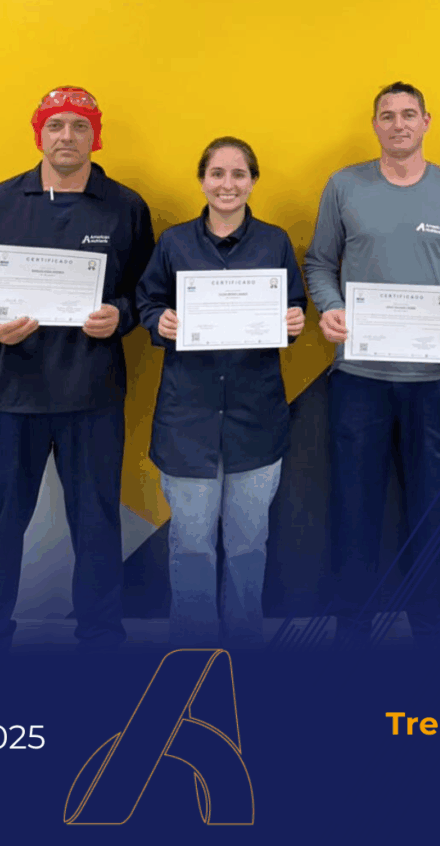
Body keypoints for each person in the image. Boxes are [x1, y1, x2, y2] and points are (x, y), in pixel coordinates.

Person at [0, 86, 155, 652]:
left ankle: (101, 637)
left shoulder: (125, 207)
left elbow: (146, 291)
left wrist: (122, 315)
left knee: (97, 524)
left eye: (80, 126)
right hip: (12, 395)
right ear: (39, 133)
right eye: (56, 125)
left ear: (95, 136)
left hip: (92, 396)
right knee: (0, 524)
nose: (67, 136)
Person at [304, 81, 440, 646]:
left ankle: (432, 632)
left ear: (426, 122)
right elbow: (319, 263)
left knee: (434, 512)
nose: (399, 124)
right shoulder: (344, 186)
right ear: (375, 125)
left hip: (434, 381)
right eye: (387, 116)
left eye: (409, 114)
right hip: (358, 380)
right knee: (353, 510)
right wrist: (330, 306)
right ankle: (352, 630)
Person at [136, 136, 306, 649]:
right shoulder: (174, 243)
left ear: (253, 181)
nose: (227, 184)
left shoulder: (274, 242)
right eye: (217, 173)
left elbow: (294, 307)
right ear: (202, 179)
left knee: (249, 546)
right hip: (187, 420)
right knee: (191, 546)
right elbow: (148, 302)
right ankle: (193, 652)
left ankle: (243, 648)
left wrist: (294, 321)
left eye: (238, 174)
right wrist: (159, 319)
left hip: (256, 419)